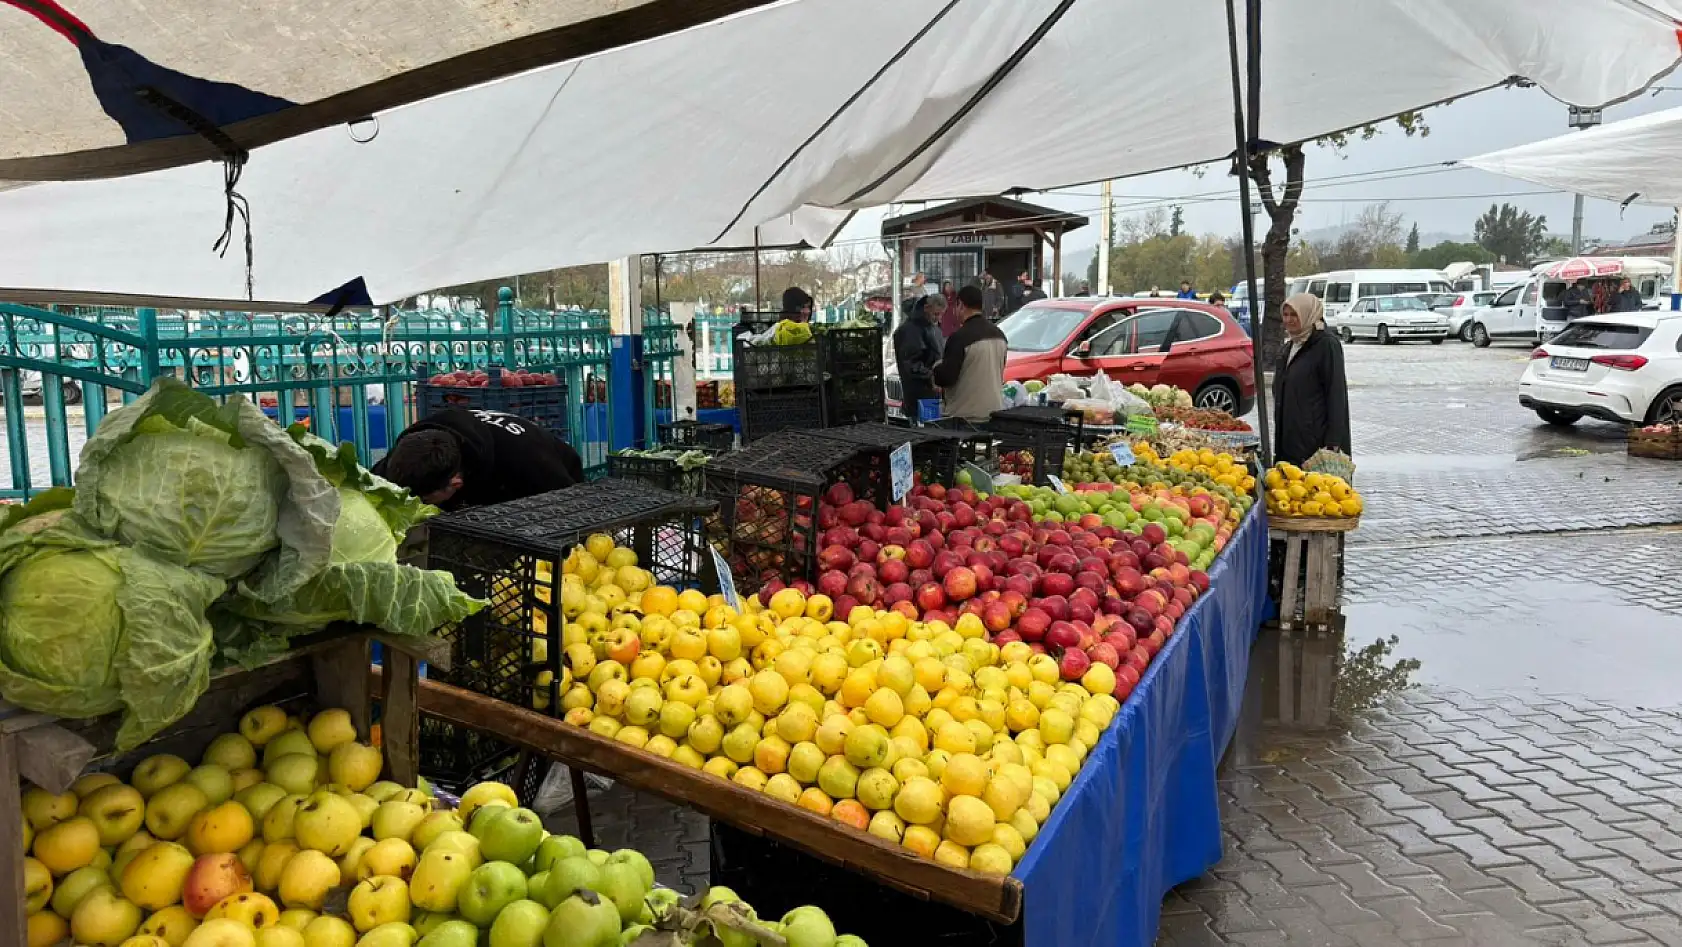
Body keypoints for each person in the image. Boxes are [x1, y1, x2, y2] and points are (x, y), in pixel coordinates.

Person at [375, 408, 586, 510]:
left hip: (554, 478)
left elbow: (573, 507)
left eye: (424, 501)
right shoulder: (408, 456)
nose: (417, 505)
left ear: (456, 484)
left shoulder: (528, 463)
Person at [1272, 293, 1350, 467]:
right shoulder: (1289, 346)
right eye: (1285, 315)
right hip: (1290, 440)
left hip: (1315, 443)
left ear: (1308, 314)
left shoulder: (1326, 345)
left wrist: (1333, 441)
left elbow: (1336, 393)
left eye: (1294, 315)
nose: (1288, 320)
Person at [933, 285, 1008, 421]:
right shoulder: (1000, 335)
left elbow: (946, 378)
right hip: (994, 413)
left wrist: (936, 367)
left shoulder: (959, 338)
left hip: (965, 416)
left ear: (961, 305)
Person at [894, 295, 946, 420]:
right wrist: (932, 376)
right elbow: (911, 364)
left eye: (941, 315)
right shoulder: (912, 330)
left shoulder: (929, 327)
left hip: (929, 393)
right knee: (926, 426)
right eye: (936, 314)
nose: (938, 318)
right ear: (926, 308)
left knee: (930, 426)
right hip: (920, 394)